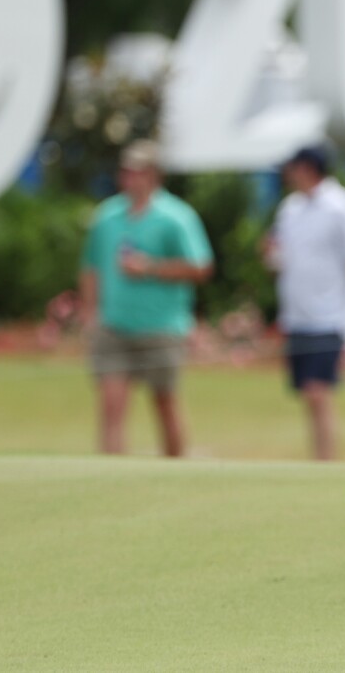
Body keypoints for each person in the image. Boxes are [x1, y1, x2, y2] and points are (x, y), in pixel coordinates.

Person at [80, 139, 215, 457]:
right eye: (126, 171)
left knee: (165, 403)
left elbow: (200, 267)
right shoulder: (106, 217)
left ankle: (175, 470)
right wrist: (90, 314)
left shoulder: (176, 217)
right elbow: (90, 269)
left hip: (162, 326)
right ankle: (109, 476)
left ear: (154, 175)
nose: (130, 178)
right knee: (111, 405)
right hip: (114, 325)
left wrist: (151, 268)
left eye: (138, 172)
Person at [266, 146, 345, 461]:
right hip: (297, 316)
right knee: (308, 393)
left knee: (318, 391)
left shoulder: (341, 206)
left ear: (306, 168)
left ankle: (324, 462)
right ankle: (318, 459)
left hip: (330, 315)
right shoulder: (289, 209)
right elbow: (280, 257)